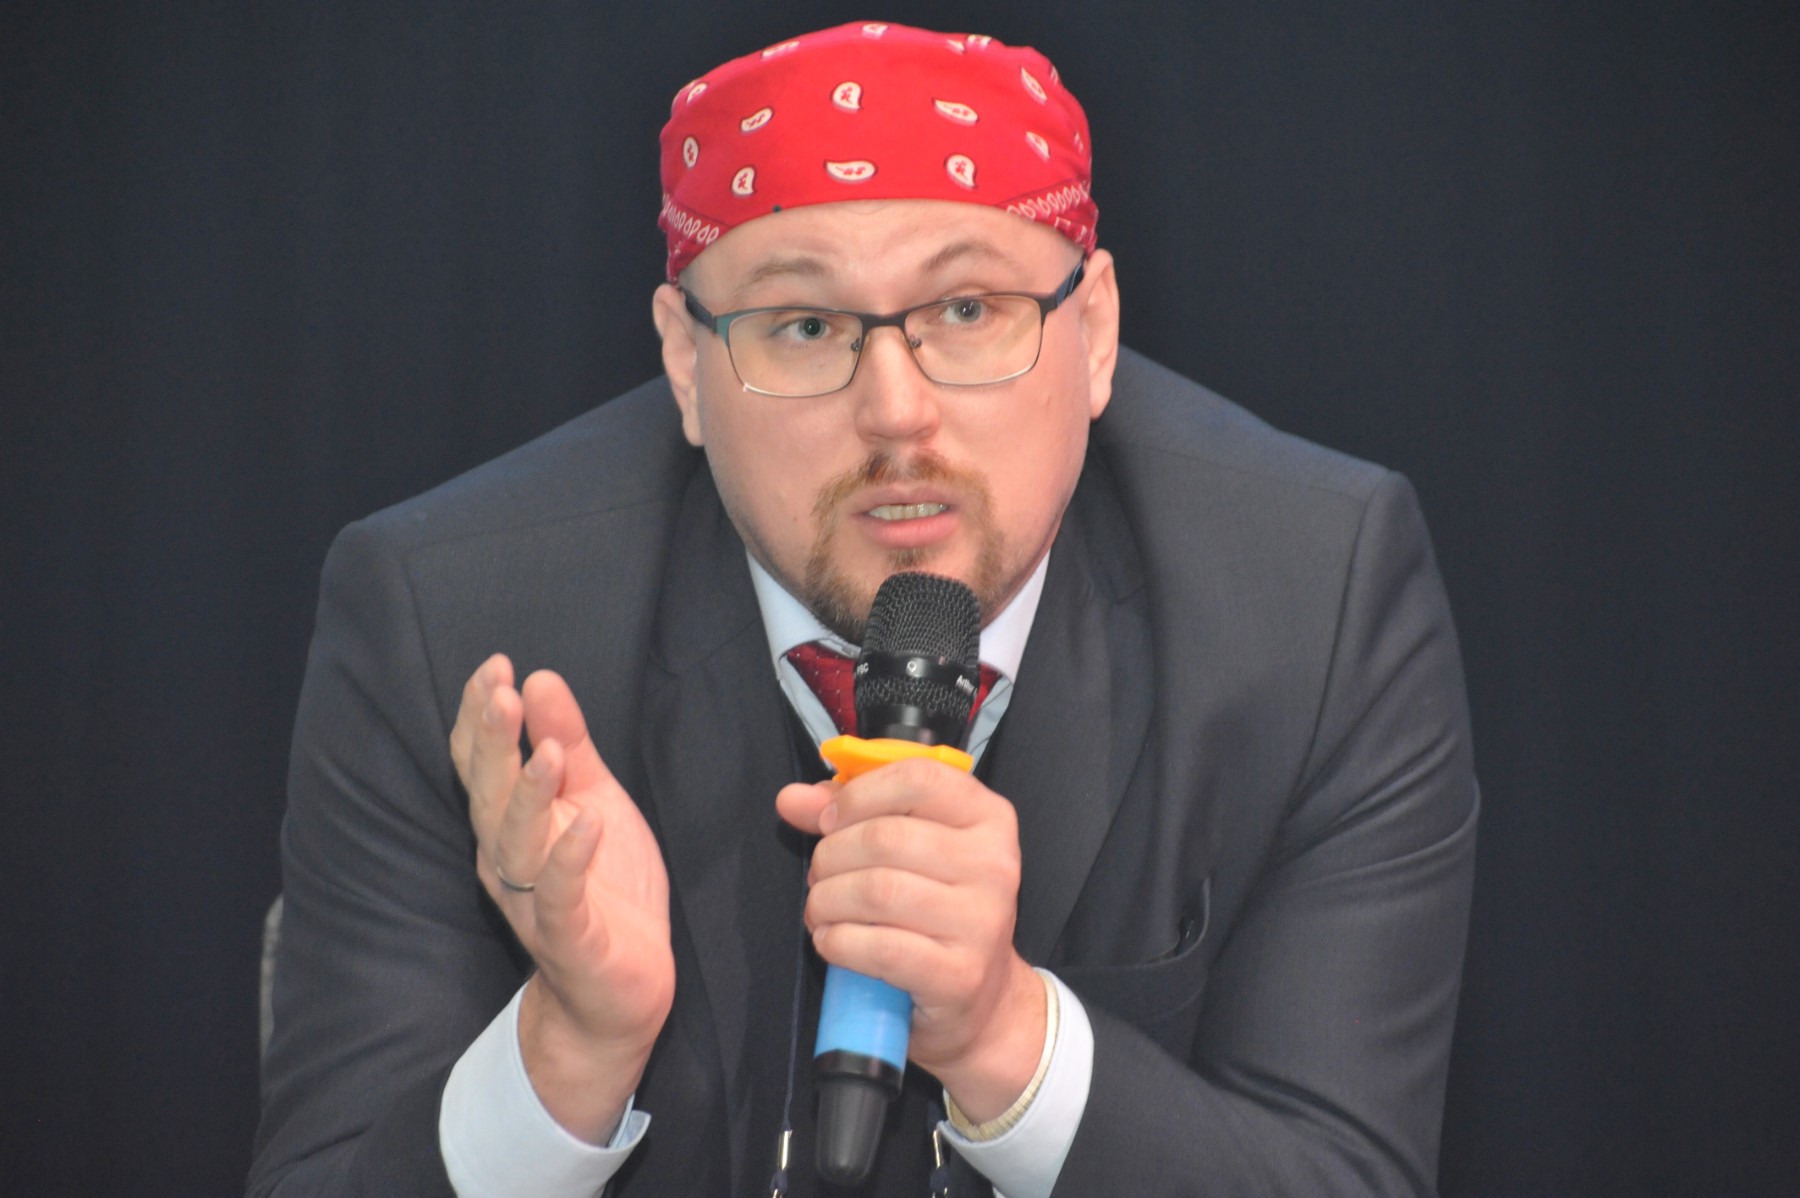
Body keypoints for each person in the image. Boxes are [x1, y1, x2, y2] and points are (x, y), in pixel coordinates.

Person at [251, 21, 1477, 1198]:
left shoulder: (1313, 600)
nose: (896, 411)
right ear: (685, 364)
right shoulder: (455, 623)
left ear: (1094, 332)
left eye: (967, 310)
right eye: (805, 325)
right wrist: (565, 1053)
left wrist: (1008, 1039)